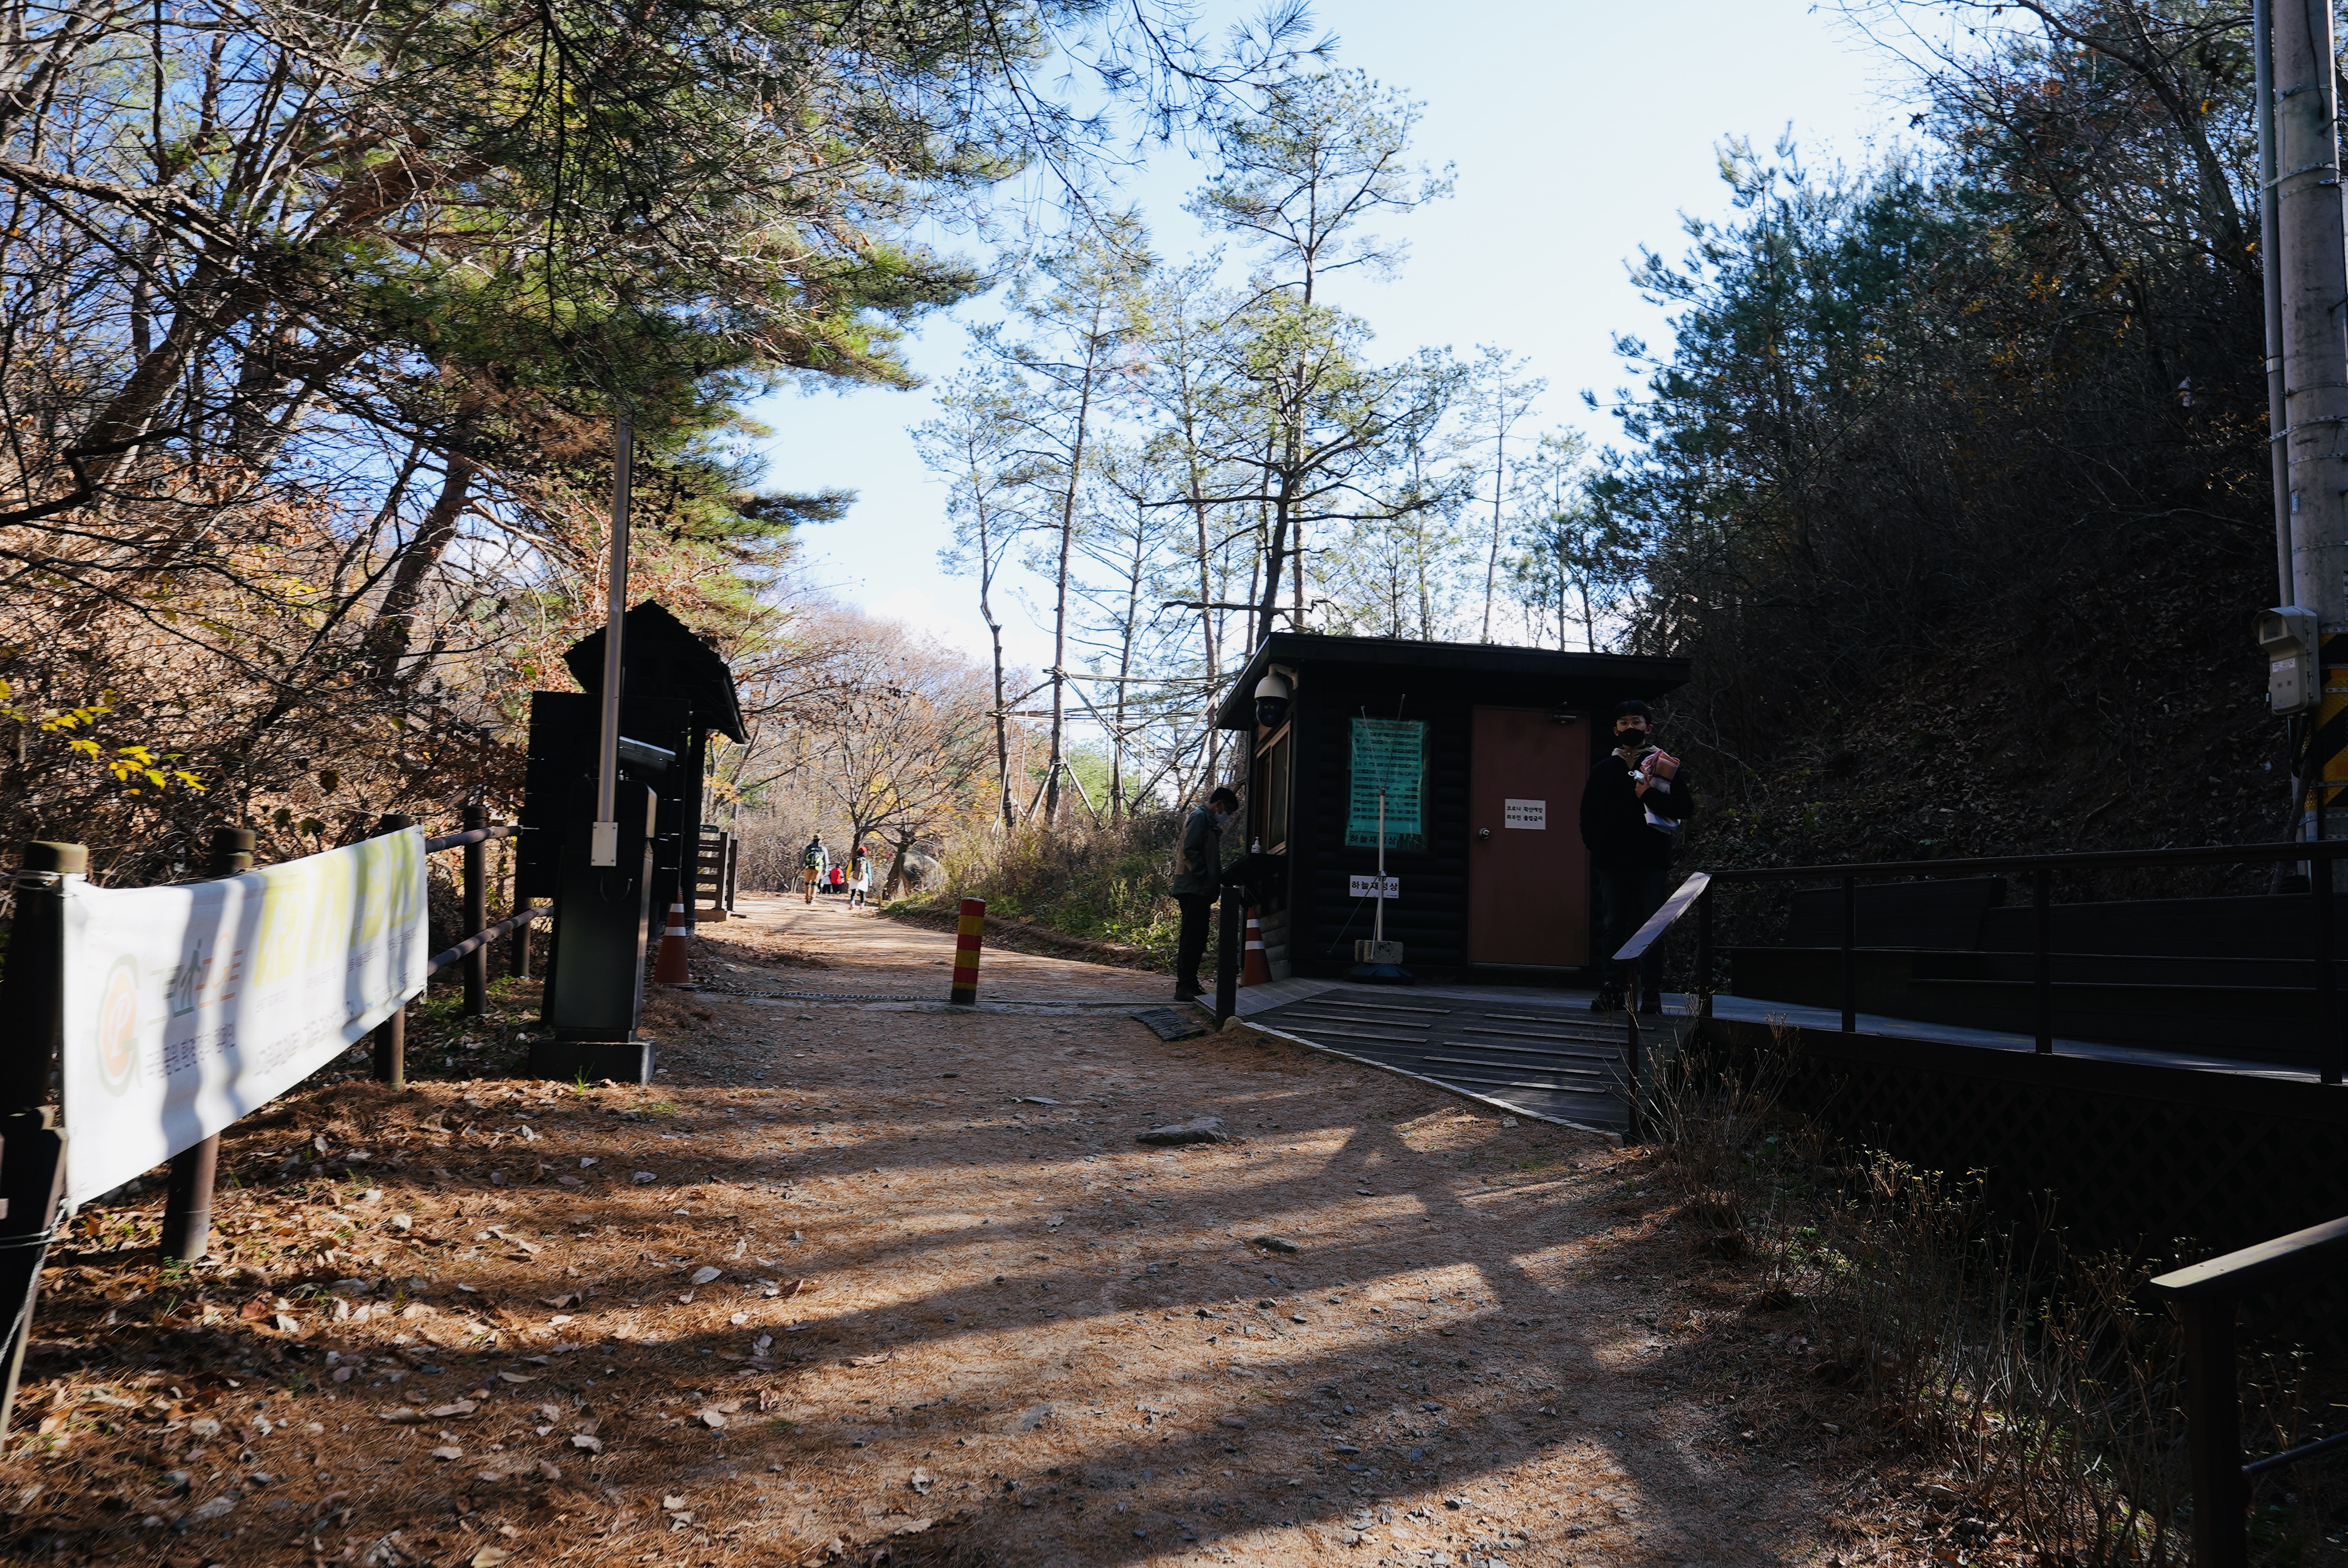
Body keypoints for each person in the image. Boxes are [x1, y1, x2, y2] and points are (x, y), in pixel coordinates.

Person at [1578, 700, 1693, 1014]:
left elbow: (1685, 808)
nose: (1631, 727)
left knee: (1651, 927)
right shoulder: (1604, 770)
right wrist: (1597, 846)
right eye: (1624, 722)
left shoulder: (1664, 766)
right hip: (1612, 862)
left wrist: (1649, 795)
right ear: (1616, 730)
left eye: (1637, 721)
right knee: (1614, 926)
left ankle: (1651, 992)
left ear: (1648, 727)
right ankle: (1613, 989)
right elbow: (1588, 813)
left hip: (1651, 861)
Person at [1171, 785, 1241, 1002]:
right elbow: (1190, 851)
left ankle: (1190, 984)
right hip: (1193, 888)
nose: (1227, 816)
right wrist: (1206, 877)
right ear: (1219, 804)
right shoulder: (1200, 817)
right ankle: (1185, 986)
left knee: (1197, 937)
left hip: (1199, 889)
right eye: (1228, 811)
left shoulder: (1208, 821)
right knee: (1192, 937)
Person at [800, 835, 828, 905]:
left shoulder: (809, 847)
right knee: (815, 883)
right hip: (818, 868)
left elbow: (803, 857)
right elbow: (826, 860)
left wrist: (800, 867)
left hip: (808, 867)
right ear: (821, 840)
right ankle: (812, 899)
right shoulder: (823, 848)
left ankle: (807, 898)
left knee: (807, 883)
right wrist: (826, 869)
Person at [849, 845, 873, 909]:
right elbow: (869, 871)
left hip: (854, 876)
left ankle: (852, 903)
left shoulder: (853, 860)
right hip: (864, 877)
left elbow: (849, 869)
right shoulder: (867, 861)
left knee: (853, 891)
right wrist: (870, 880)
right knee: (863, 891)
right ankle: (862, 905)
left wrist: (848, 878)